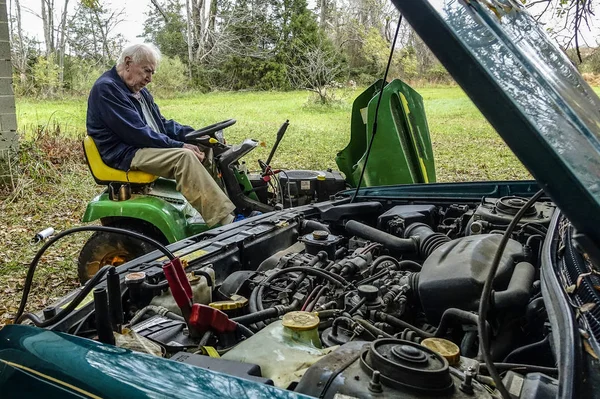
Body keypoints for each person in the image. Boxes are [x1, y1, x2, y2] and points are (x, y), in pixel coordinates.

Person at [86, 43, 236, 227]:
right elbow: (137, 133)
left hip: (141, 145)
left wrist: (196, 135)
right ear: (127, 63)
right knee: (184, 157)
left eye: (152, 73)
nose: (149, 78)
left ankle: (230, 206)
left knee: (206, 147)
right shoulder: (107, 89)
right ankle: (225, 221)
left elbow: (161, 124)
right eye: (146, 71)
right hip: (125, 153)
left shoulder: (138, 91)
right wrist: (179, 145)